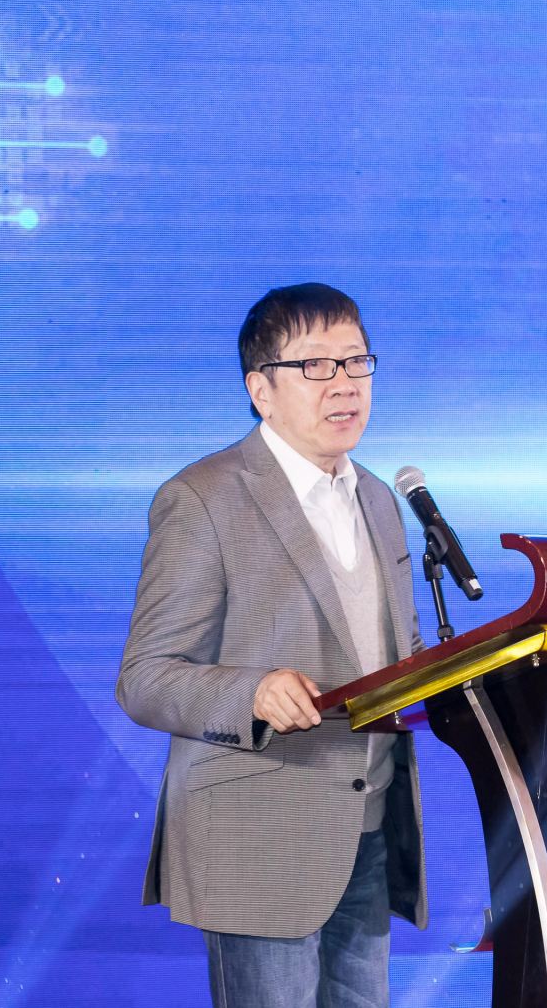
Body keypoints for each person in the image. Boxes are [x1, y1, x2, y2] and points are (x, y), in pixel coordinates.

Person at [117, 283, 427, 1008]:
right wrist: (250, 692)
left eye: (356, 361)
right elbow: (144, 677)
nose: (344, 384)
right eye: (316, 365)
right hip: (257, 837)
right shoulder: (204, 498)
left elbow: (393, 650)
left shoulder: (379, 499)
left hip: (367, 827)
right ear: (261, 389)